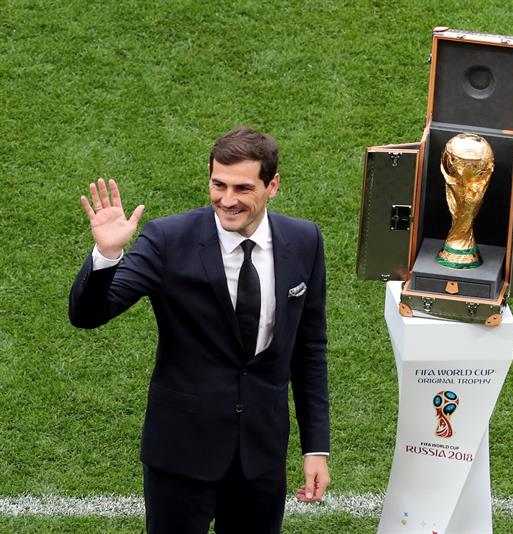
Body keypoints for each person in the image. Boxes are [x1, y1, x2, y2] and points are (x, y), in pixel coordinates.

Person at [69, 126, 331, 533]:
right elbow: (89, 314)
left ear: (272, 185)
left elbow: (309, 350)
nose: (227, 200)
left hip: (260, 457)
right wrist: (107, 254)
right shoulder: (168, 239)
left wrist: (316, 447)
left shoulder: (304, 240)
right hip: (181, 454)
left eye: (242, 188)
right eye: (218, 184)